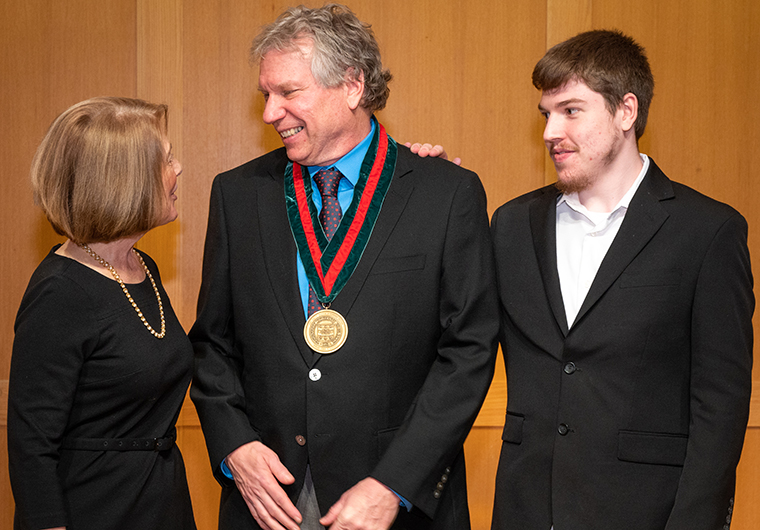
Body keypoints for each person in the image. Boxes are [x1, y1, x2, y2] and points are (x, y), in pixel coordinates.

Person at [189, 4, 498, 530]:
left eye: (288, 92)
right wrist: (234, 445)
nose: (269, 113)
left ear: (352, 86)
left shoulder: (444, 194)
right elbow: (213, 343)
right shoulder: (238, 196)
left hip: (392, 501)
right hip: (268, 501)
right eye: (266, 94)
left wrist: (395, 483)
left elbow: (467, 353)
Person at [490, 29, 753, 529]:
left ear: (626, 112)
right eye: (546, 114)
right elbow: (459, 335)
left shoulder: (707, 231)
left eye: (570, 110)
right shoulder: (510, 225)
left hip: (645, 514)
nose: (549, 131)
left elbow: (720, 404)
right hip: (524, 511)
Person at [8, 97, 196, 530]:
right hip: (96, 509)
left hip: (160, 502)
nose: (179, 168)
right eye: (166, 159)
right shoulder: (60, 292)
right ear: (124, 181)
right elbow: (31, 447)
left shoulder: (140, 265)